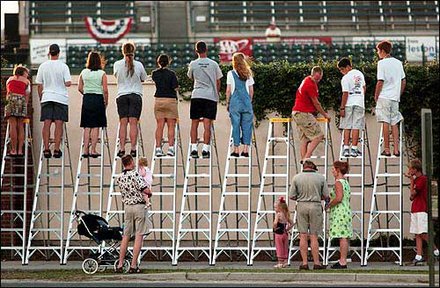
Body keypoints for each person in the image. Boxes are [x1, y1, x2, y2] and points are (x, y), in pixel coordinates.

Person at [115, 154, 152, 273]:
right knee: (139, 235)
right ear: (130, 162)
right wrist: (149, 193)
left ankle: (120, 263)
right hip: (138, 206)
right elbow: (144, 189)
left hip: (127, 207)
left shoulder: (119, 177)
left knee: (125, 236)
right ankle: (133, 265)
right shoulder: (135, 174)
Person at [289, 160, 329, 270]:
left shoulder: (296, 177)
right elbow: (326, 195)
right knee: (314, 236)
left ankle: (305, 262)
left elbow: (291, 196)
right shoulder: (320, 178)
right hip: (315, 206)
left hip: (301, 205)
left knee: (302, 235)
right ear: (313, 168)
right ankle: (317, 263)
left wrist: (301, 197)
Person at [187, 41, 223, 159]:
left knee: (194, 123)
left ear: (196, 51)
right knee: (207, 124)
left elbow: (190, 77)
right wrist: (216, 94)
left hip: (197, 95)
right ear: (206, 49)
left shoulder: (193, 64)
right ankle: (206, 149)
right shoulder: (213, 64)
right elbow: (218, 81)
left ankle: (193, 148)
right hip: (210, 96)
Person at [35, 44, 72, 159]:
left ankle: (46, 149)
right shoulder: (63, 66)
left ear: (49, 53)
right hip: (60, 97)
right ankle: (56, 149)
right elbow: (68, 83)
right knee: (59, 123)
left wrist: (41, 97)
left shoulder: (43, 66)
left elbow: (39, 84)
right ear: (58, 53)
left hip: (47, 96)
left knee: (46, 123)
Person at [113, 42, 147, 158]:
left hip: (122, 95)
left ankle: (122, 148)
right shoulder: (139, 65)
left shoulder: (117, 64)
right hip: (135, 95)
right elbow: (144, 78)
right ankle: (133, 148)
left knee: (123, 123)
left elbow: (116, 76)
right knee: (133, 123)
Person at [292, 66, 330, 163]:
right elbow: (316, 103)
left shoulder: (306, 80)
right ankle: (306, 159)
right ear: (318, 74)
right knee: (318, 136)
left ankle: (304, 166)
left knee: (304, 139)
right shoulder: (310, 84)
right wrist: (325, 114)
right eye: (320, 76)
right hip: (303, 113)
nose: (320, 79)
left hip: (297, 113)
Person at [374, 40, 406, 157]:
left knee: (385, 122)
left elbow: (380, 81)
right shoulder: (398, 63)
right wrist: (398, 94)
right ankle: (396, 150)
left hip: (384, 97)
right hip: (394, 98)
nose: (378, 53)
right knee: (394, 122)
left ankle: (387, 149)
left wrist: (376, 95)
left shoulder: (381, 63)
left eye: (378, 51)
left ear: (382, 51)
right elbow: (403, 81)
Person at [404, 159, 439, 264]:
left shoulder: (422, 179)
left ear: (415, 169)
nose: (409, 171)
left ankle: (436, 251)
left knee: (423, 233)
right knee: (417, 233)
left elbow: (413, 193)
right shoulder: (416, 180)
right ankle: (419, 255)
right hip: (415, 208)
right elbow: (411, 198)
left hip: (421, 209)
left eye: (410, 169)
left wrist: (411, 180)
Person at [78, 51, 108, 158]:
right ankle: (93, 150)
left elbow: (80, 88)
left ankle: (85, 149)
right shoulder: (102, 74)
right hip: (98, 98)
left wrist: (86, 93)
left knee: (87, 126)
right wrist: (106, 102)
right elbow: (105, 90)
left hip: (87, 98)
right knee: (95, 126)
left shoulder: (83, 72)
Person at [225, 52, 254, 157]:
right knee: (247, 126)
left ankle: (236, 149)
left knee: (236, 125)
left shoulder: (230, 73)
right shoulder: (248, 73)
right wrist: (249, 101)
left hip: (235, 103)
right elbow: (251, 90)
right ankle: (246, 150)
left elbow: (228, 90)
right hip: (246, 103)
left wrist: (228, 103)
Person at [337, 58, 366, 158]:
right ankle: (354, 148)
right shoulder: (360, 74)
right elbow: (364, 88)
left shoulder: (345, 78)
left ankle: (346, 148)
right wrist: (360, 97)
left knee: (347, 126)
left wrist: (342, 108)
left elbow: (345, 93)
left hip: (349, 103)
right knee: (356, 126)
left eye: (342, 69)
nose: (341, 72)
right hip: (359, 102)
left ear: (347, 67)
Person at [326, 161, 353, 269]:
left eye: (333, 169)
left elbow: (339, 198)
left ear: (337, 170)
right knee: (344, 236)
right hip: (346, 210)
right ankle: (343, 259)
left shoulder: (338, 183)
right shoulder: (345, 182)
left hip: (340, 211)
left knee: (342, 237)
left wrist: (329, 205)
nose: (332, 170)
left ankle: (342, 261)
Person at [152, 54, 179, 157]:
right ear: (168, 62)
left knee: (160, 126)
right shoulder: (171, 74)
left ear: (158, 62)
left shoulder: (154, 73)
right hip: (170, 100)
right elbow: (175, 87)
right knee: (171, 126)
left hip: (159, 100)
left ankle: (158, 148)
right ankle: (171, 148)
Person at [4, 65, 30, 157]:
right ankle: (20, 151)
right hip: (21, 100)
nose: (27, 75)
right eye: (26, 73)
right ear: (22, 73)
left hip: (10, 99)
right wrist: (25, 107)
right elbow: (27, 95)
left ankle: (13, 150)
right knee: (20, 125)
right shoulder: (26, 81)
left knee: (12, 125)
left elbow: (8, 91)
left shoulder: (9, 79)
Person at [273, 196, 294, 268]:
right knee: (285, 247)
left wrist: (274, 227)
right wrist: (288, 229)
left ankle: (280, 262)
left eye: (275, 207)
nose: (274, 209)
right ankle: (285, 261)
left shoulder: (278, 214)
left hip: (278, 233)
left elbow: (275, 223)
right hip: (285, 233)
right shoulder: (286, 214)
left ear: (280, 208)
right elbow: (292, 223)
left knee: (279, 247)